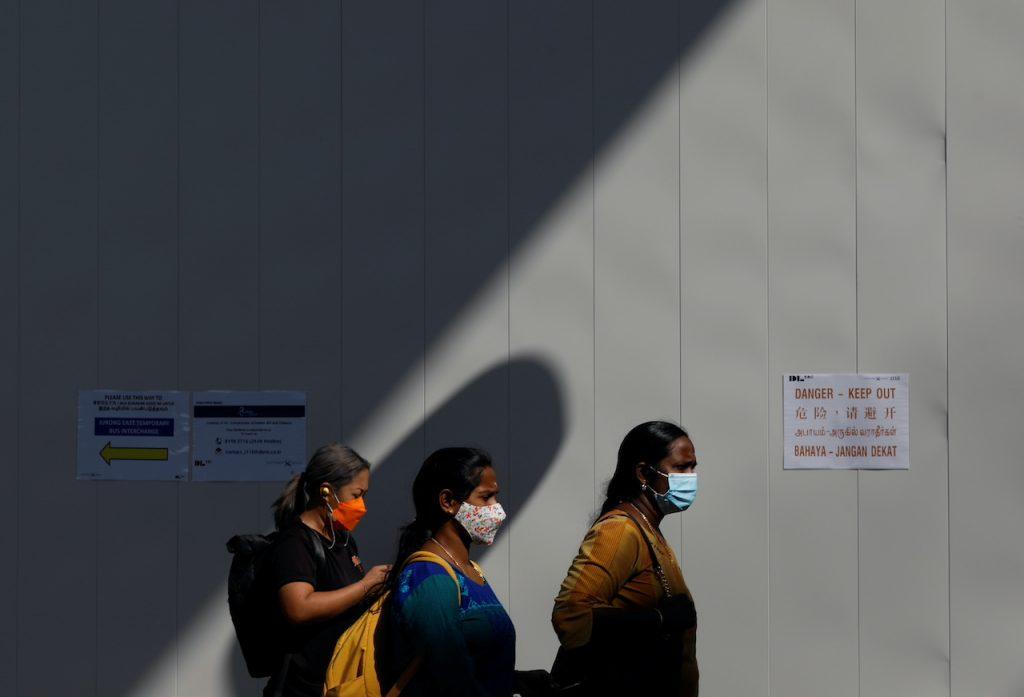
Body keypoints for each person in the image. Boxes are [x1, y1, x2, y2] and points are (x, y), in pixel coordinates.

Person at [551, 421, 700, 696]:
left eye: (693, 467)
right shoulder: (620, 530)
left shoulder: (647, 529)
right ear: (644, 473)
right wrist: (658, 619)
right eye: (680, 468)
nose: (690, 476)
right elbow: (572, 615)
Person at [377, 447, 516, 697]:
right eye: (486, 498)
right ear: (448, 502)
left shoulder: (470, 570)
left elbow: (475, 661)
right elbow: (450, 677)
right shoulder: (429, 576)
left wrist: (517, 680)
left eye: (496, 497)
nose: (498, 510)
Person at [263, 443, 390, 697]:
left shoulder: (341, 539)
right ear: (326, 491)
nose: (362, 505)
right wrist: (365, 585)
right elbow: (299, 607)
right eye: (356, 495)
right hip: (304, 688)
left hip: (338, 683)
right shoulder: (295, 542)